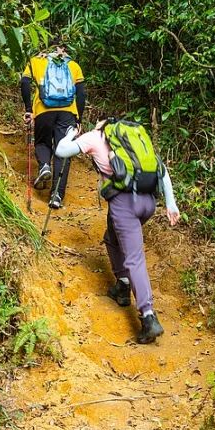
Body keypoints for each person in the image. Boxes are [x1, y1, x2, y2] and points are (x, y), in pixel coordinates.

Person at [55, 119, 180, 344]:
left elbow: (61, 151)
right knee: (112, 238)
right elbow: (161, 170)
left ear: (100, 125)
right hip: (148, 203)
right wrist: (170, 203)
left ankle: (148, 317)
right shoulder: (135, 141)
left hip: (125, 205)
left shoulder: (94, 137)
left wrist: (70, 134)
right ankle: (122, 286)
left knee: (134, 258)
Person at [20, 40, 85, 209]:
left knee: (42, 142)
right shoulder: (73, 65)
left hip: (43, 110)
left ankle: (44, 166)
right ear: (63, 49)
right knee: (63, 152)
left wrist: (28, 109)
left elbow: (25, 83)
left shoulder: (36, 61)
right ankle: (56, 195)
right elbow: (81, 93)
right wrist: (79, 119)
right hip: (68, 113)